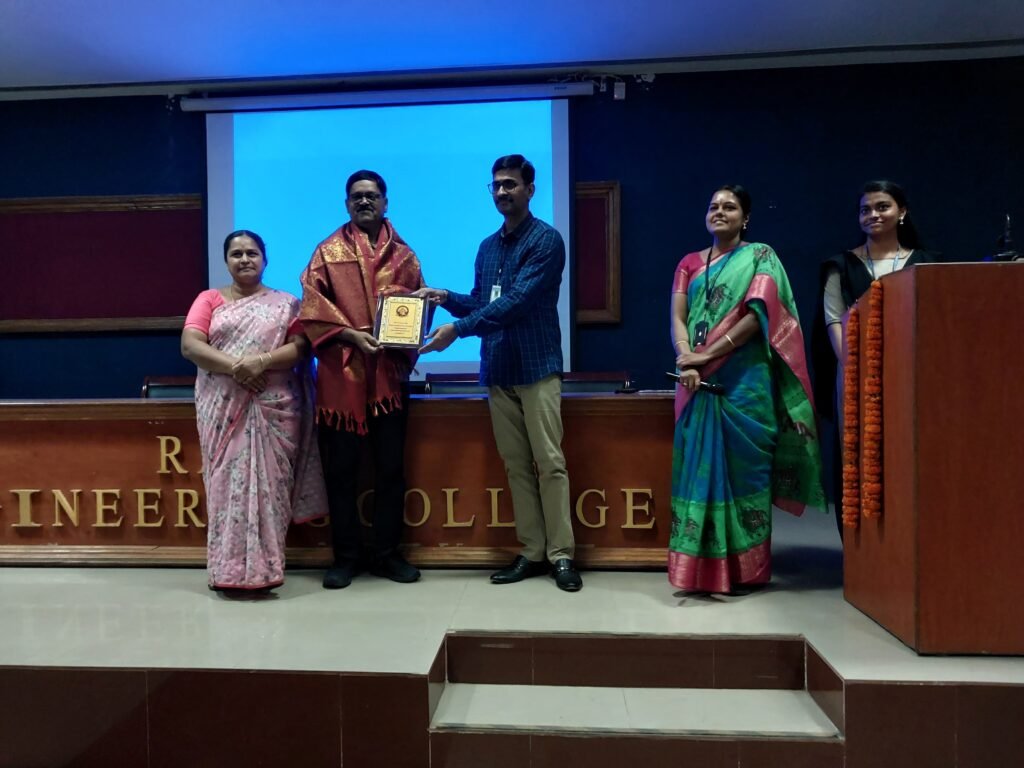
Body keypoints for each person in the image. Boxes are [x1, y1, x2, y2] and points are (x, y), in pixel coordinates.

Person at [415, 154, 581, 592]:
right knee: (516, 467)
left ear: (530, 190)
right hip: (498, 368)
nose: (502, 191)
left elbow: (517, 302)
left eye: (510, 184)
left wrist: (457, 331)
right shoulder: (487, 247)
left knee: (550, 464)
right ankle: (532, 550)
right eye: (496, 185)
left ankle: (562, 555)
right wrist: (445, 297)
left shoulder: (546, 241)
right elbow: (483, 301)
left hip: (537, 368)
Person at [670, 185, 824, 594]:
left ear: (746, 217)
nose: (719, 212)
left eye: (730, 206)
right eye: (713, 206)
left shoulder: (760, 256)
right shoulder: (688, 263)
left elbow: (759, 317)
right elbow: (679, 317)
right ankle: (697, 570)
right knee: (697, 471)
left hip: (744, 383)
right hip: (694, 380)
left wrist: (707, 355)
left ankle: (746, 569)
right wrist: (686, 356)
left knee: (746, 472)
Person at [181, 230, 326, 593]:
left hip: (275, 407)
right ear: (226, 261)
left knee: (271, 488)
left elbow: (300, 348)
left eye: (251, 253)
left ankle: (266, 570)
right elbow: (191, 345)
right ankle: (226, 571)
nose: (244, 259)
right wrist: (237, 367)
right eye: (236, 254)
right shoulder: (209, 299)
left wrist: (260, 362)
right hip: (223, 407)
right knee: (224, 487)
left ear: (265, 259)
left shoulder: (287, 304)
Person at [300, 170, 424, 589]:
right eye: (357, 196)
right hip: (342, 379)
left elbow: (416, 311)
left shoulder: (405, 257)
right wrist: (352, 335)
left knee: (390, 470)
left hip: (388, 379)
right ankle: (346, 557)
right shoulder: (327, 252)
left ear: (386, 202)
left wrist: (409, 327)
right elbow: (311, 307)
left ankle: (387, 554)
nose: (364, 201)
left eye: (372, 195)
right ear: (347, 204)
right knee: (342, 473)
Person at [812, 181, 940, 533]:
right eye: (865, 209)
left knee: (907, 456)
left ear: (902, 212)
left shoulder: (927, 264)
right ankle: (861, 552)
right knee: (858, 460)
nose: (873, 215)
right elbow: (833, 320)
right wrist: (855, 367)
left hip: (912, 379)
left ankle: (908, 544)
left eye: (882, 207)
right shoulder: (840, 265)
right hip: (855, 377)